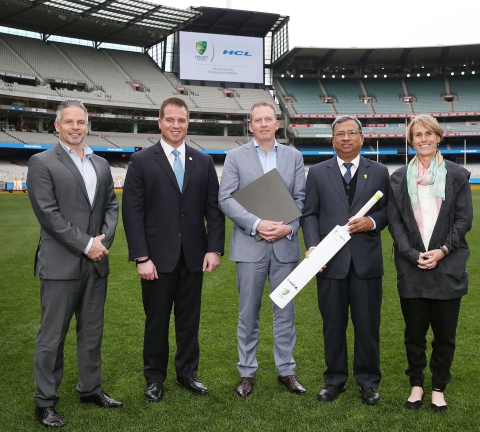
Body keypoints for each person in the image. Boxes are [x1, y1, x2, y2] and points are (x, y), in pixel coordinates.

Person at [122, 97, 225, 402]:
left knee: (189, 321)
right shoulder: (141, 161)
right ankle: (154, 378)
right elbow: (132, 212)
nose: (176, 125)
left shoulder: (203, 161)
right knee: (156, 322)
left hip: (194, 256)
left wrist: (214, 249)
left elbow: (213, 211)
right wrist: (142, 256)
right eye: (170, 120)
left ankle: (187, 373)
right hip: (155, 258)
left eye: (181, 120)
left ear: (188, 122)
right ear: (160, 122)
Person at [26, 99, 121, 428]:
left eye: (81, 121)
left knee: (92, 332)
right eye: (69, 122)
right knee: (52, 337)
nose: (76, 127)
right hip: (60, 263)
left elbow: (111, 205)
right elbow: (48, 214)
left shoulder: (101, 164)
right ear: (57, 126)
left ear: (87, 125)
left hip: (97, 263)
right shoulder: (41, 162)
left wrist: (102, 242)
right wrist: (86, 244)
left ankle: (90, 388)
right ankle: (45, 401)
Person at [218, 102, 306, 397]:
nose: (264, 124)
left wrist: (289, 227)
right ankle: (246, 373)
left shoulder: (293, 156)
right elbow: (226, 199)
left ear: (277, 123)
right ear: (251, 125)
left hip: (285, 247)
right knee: (248, 314)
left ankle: (286, 371)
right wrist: (257, 224)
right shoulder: (234, 157)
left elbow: (301, 200)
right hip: (250, 246)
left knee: (285, 312)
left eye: (269, 119)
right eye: (258, 120)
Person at [301, 115, 389, 405]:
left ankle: (368, 382)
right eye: (340, 134)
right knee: (333, 325)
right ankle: (335, 380)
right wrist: (313, 247)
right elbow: (309, 213)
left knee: (367, 327)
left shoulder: (378, 171)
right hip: (329, 263)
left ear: (362, 138)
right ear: (332, 140)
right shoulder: (317, 172)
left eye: (352, 133)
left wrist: (372, 222)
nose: (346, 138)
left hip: (366, 264)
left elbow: (389, 212)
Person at [388, 115, 472, 413]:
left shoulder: (457, 175)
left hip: (447, 267)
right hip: (412, 268)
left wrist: (443, 250)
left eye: (428, 134)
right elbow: (395, 222)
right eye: (417, 135)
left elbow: (464, 220)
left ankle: (438, 387)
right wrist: (412, 255)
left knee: (444, 336)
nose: (423, 139)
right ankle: (416, 385)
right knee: (414, 334)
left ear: (438, 137)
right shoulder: (398, 178)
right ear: (411, 141)